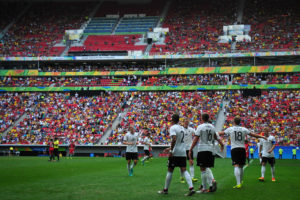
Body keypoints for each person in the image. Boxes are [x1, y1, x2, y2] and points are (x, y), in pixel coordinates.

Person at [219, 116, 266, 189]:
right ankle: (240, 182)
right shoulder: (244, 129)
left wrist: (214, 132)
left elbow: (221, 133)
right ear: (239, 122)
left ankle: (238, 184)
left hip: (234, 149)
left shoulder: (230, 129)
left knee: (236, 165)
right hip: (242, 148)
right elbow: (253, 134)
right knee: (241, 166)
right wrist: (262, 137)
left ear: (234, 122)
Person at [158, 114, 195, 196]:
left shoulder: (173, 127)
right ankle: (191, 188)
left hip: (175, 153)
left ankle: (165, 189)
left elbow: (174, 139)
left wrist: (171, 150)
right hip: (182, 151)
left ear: (172, 120)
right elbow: (179, 141)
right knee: (184, 170)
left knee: (170, 170)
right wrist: (169, 148)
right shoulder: (182, 128)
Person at [189, 113, 224, 193]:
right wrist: (221, 144)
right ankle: (212, 182)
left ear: (202, 118)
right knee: (207, 167)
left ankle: (204, 188)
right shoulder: (212, 127)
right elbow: (216, 137)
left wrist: (191, 149)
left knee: (202, 169)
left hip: (202, 149)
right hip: (211, 149)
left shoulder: (200, 127)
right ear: (208, 118)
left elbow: (196, 139)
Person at [180, 118, 197, 183]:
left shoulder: (191, 129)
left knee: (191, 162)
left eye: (187, 122)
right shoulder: (181, 129)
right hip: (182, 148)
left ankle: (192, 177)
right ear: (183, 122)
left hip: (189, 148)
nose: (187, 123)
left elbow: (196, 134)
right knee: (182, 163)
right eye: (185, 122)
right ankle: (182, 177)